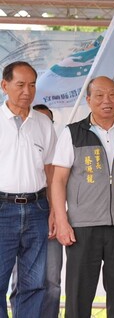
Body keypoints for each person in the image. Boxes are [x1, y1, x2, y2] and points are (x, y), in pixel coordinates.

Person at [52, 76, 114, 318]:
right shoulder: (73, 133)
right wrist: (63, 222)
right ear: (88, 100)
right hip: (83, 228)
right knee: (78, 297)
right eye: (99, 95)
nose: (107, 100)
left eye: (112, 95)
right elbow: (58, 180)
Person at [0, 61, 56, 317]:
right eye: (20, 85)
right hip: (2, 209)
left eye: (32, 85)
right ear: (4, 85)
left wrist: (55, 210)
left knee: (33, 284)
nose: (27, 91)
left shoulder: (43, 124)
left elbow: (51, 171)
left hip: (37, 209)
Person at [10, 103, 62, 318]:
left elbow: (58, 182)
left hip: (48, 216)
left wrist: (57, 213)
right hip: (13, 215)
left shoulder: (59, 152)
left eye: (46, 122)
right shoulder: (14, 145)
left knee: (50, 282)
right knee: (19, 281)